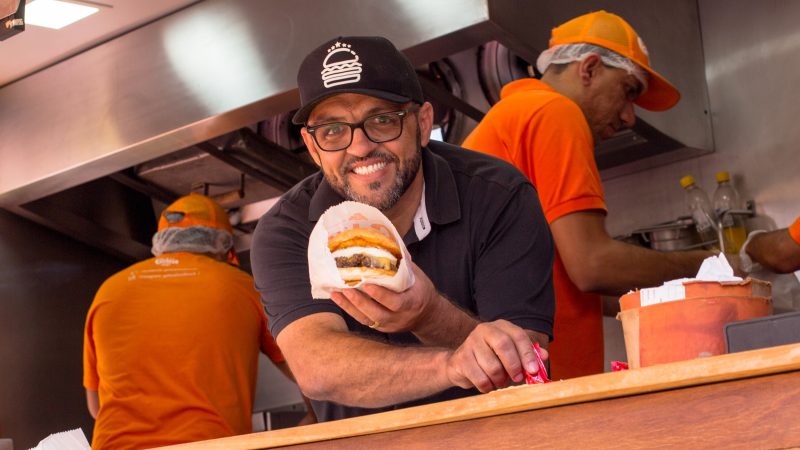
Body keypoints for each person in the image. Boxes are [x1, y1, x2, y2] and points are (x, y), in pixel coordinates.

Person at [250, 36, 555, 422]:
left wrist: (429, 315)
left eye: (381, 120)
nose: (359, 148)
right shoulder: (285, 230)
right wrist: (451, 365)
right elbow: (316, 366)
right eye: (332, 131)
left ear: (423, 123)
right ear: (312, 148)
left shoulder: (498, 195)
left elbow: (526, 362)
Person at [462, 10, 714, 379]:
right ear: (590, 69)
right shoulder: (554, 112)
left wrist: (675, 298)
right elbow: (593, 266)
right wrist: (711, 267)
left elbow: (568, 283)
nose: (629, 117)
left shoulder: (518, 113)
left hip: (513, 380)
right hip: (536, 385)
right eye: (628, 92)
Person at [83, 193, 314, 450]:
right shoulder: (238, 284)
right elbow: (305, 366)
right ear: (224, 246)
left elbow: (96, 407)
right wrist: (315, 420)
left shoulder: (109, 290)